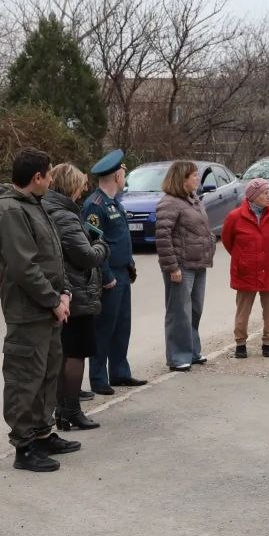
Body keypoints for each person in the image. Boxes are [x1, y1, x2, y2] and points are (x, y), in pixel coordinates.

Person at [0, 148, 83, 473]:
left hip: (49, 307)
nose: (52, 181)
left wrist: (64, 292)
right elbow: (25, 267)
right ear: (36, 177)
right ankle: (24, 446)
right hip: (29, 310)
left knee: (47, 372)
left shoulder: (33, 205)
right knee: (25, 376)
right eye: (49, 175)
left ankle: (42, 432)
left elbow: (54, 255)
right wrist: (53, 301)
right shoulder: (9, 210)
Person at [42, 163, 109, 432]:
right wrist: (101, 246)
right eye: (81, 184)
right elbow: (85, 256)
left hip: (66, 290)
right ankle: (71, 411)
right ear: (71, 186)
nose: (83, 190)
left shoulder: (50, 210)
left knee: (65, 353)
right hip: (77, 293)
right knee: (75, 354)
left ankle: (63, 410)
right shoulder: (66, 216)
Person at [83, 150, 146, 395]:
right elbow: (93, 244)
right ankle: (99, 377)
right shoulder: (94, 206)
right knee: (104, 327)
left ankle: (120, 372)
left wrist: (128, 264)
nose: (124, 177)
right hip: (108, 276)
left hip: (122, 272)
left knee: (122, 325)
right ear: (117, 175)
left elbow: (119, 239)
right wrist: (106, 274)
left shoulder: (114, 202)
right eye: (123, 173)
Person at [156, 160, 215, 372]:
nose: (196, 179)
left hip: (198, 263)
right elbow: (163, 237)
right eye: (193, 176)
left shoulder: (193, 199)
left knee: (195, 309)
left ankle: (192, 351)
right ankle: (177, 356)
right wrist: (173, 267)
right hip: (181, 266)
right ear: (182, 179)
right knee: (179, 311)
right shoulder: (169, 203)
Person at [221, 178, 269, 359]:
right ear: (253, 196)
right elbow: (227, 241)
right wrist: (243, 258)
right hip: (245, 270)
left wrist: (266, 256)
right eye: (265, 193)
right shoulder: (235, 217)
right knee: (243, 309)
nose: (268, 196)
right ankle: (240, 344)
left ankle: (268, 343)